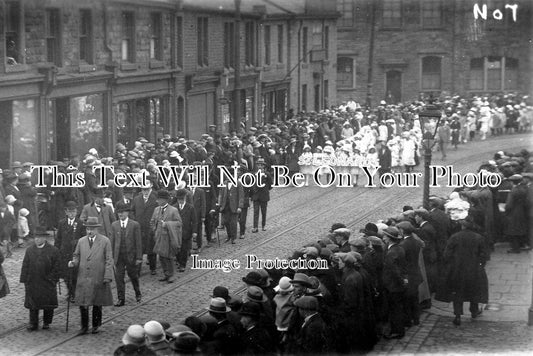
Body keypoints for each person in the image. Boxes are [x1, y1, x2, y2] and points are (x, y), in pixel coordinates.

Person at [68, 216, 114, 335]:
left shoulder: (105, 241)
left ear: (97, 229)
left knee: (97, 301)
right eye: (88, 229)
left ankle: (95, 325)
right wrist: (73, 262)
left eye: (92, 229)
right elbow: (76, 255)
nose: (89, 231)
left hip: (98, 275)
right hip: (83, 275)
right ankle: (84, 326)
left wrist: (107, 276)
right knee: (83, 302)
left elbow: (109, 259)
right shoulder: (81, 241)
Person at [440, 217, 488, 326]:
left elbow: (446, 255)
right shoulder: (478, 238)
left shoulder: (454, 237)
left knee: (457, 292)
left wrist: (451, 265)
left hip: (458, 270)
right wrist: (480, 265)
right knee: (473, 291)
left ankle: (457, 315)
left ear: (462, 226)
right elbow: (484, 255)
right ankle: (474, 312)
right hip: (474, 270)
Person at [19, 226, 61, 331]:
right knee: (33, 304)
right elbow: (25, 265)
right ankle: (33, 323)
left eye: (39, 237)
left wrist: (52, 279)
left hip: (47, 281)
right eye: (35, 237)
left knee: (48, 304)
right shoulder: (30, 250)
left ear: (44, 238)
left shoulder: (53, 250)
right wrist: (24, 279)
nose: (37, 239)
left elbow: (57, 267)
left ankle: (47, 322)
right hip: (33, 281)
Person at [110, 202, 143, 306]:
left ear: (127, 213)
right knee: (119, 278)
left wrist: (138, 257)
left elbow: (138, 242)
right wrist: (111, 257)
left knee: (133, 276)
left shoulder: (134, 225)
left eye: (122, 212)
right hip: (118, 256)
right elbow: (112, 242)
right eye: (119, 212)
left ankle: (137, 293)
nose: (120, 214)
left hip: (131, 256)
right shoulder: (114, 225)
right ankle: (121, 299)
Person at [54, 201, 85, 302]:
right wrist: (56, 251)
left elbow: (83, 238)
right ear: (66, 212)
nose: (72, 213)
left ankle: (73, 293)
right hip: (64, 253)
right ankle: (70, 291)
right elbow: (58, 239)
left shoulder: (80, 223)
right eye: (70, 211)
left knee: (74, 274)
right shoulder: (62, 223)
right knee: (66, 274)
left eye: (74, 211)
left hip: (75, 253)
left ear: (77, 212)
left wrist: (76, 242)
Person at [381, 226, 407, 339]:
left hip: (393, 286)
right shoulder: (399, 248)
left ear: (390, 238)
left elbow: (394, 271)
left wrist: (400, 281)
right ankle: (398, 329)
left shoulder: (391, 252)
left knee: (394, 309)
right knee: (397, 308)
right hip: (397, 285)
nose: (383, 238)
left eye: (385, 236)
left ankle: (397, 331)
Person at [151, 190, 182, 283]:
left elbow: (179, 223)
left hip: (169, 237)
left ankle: (171, 275)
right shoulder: (156, 209)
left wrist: (167, 224)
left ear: (164, 200)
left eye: (159, 199)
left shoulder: (173, 210)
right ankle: (166, 274)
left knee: (169, 257)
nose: (157, 201)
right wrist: (154, 229)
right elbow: (152, 221)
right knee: (161, 256)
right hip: (159, 237)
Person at [131, 178, 159, 275]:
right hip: (139, 228)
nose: (145, 191)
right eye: (143, 189)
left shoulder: (155, 199)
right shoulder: (136, 199)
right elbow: (132, 211)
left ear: (150, 188)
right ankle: (138, 269)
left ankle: (153, 268)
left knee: (151, 248)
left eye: (147, 189)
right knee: (138, 249)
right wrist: (134, 222)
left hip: (151, 228)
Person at [216, 176, 244, 244]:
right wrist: (220, 205)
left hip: (234, 207)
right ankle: (229, 235)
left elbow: (241, 196)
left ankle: (233, 238)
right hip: (225, 206)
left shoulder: (238, 183)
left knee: (233, 223)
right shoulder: (224, 183)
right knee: (226, 222)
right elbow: (221, 195)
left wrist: (240, 206)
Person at [174, 188, 197, 272]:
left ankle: (182, 264)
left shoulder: (190, 208)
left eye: (182, 199)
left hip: (186, 231)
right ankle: (179, 261)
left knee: (184, 249)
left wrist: (194, 231)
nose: (180, 201)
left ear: (185, 198)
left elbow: (194, 221)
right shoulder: (174, 207)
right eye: (179, 199)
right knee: (177, 249)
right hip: (176, 232)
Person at [251, 158, 272, 232]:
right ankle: (255, 227)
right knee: (256, 212)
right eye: (258, 165)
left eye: (261, 165)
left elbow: (270, 185)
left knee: (264, 212)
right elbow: (252, 184)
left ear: (263, 166)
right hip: (256, 196)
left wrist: (265, 190)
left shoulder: (267, 174)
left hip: (264, 196)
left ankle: (263, 225)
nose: (260, 166)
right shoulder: (254, 174)